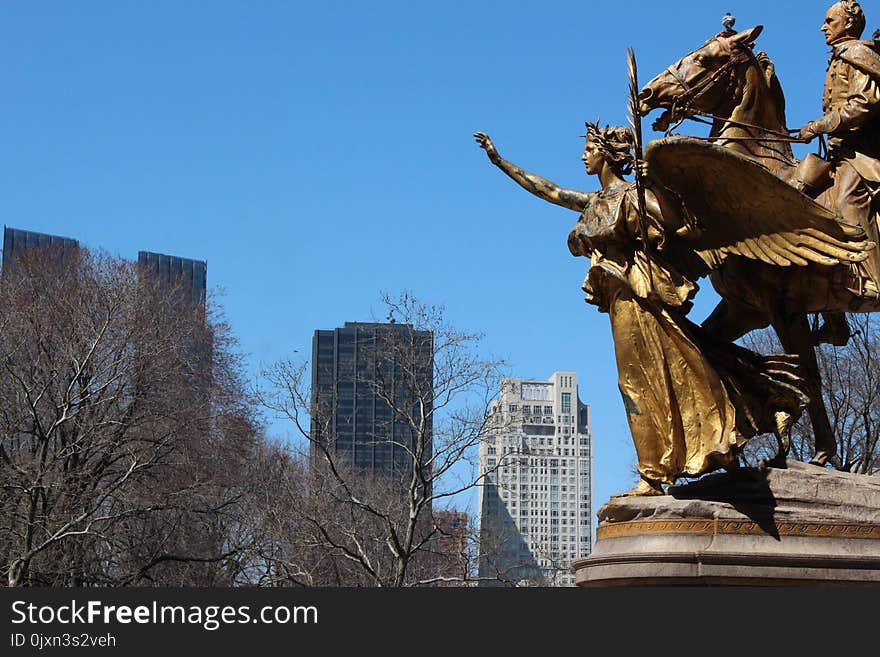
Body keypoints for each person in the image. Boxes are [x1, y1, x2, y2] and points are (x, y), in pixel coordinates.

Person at [474, 124, 808, 496]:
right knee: (667, 374)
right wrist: (500, 160)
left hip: (639, 301)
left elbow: (680, 225)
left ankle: (656, 472)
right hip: (620, 301)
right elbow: (549, 191)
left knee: (644, 381)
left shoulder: (633, 197)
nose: (583, 156)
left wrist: (656, 187)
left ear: (607, 155)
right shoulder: (596, 201)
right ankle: (700, 445)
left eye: (589, 149)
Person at [798, 0, 880, 346]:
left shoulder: (858, 53)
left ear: (848, 22)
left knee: (848, 196)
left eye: (829, 20)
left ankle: (873, 280)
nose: (823, 27)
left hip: (865, 154)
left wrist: (822, 124)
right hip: (840, 152)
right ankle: (833, 317)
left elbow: (866, 103)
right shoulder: (839, 56)